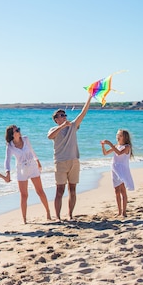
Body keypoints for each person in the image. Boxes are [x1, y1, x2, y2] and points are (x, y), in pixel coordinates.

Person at [47, 92, 93, 221]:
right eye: (60, 115)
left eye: (64, 115)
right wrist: (62, 126)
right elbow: (50, 137)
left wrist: (89, 98)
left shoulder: (73, 126)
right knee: (59, 190)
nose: (63, 117)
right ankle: (57, 216)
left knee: (72, 189)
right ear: (56, 119)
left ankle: (71, 214)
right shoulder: (53, 129)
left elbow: (83, 113)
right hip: (60, 162)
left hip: (74, 161)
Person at [4, 125, 51, 223]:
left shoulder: (25, 139)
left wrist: (37, 160)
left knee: (40, 191)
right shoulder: (10, 146)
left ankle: (48, 213)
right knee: (24, 195)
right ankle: (24, 219)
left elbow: (32, 150)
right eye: (16, 130)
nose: (19, 131)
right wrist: (7, 172)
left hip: (32, 166)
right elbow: (7, 160)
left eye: (19, 129)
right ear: (12, 134)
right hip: (21, 170)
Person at [101, 129, 135, 217]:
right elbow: (105, 153)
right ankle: (119, 211)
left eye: (120, 135)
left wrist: (110, 144)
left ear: (125, 137)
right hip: (114, 169)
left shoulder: (127, 146)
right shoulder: (116, 146)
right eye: (117, 135)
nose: (117, 137)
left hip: (122, 170)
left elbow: (119, 153)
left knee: (123, 191)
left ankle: (124, 212)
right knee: (116, 191)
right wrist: (103, 146)